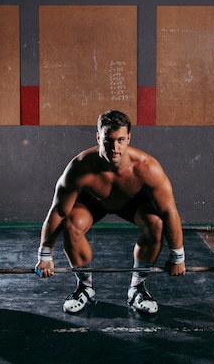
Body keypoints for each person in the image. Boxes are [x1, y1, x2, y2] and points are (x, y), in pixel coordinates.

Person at [35, 110, 186, 315]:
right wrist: (45, 255)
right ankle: (85, 288)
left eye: (121, 140)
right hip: (93, 203)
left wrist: (177, 257)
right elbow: (58, 212)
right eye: (108, 140)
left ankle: (137, 289)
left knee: (156, 224)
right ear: (98, 137)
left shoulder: (147, 168)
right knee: (71, 222)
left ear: (128, 138)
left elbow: (169, 212)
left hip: (132, 204)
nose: (115, 148)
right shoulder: (79, 167)